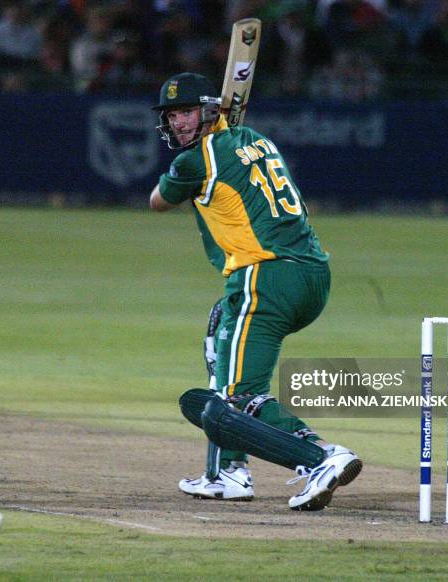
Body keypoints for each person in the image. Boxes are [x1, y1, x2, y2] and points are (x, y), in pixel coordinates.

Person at [149, 72, 362, 511]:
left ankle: (321, 457)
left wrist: (193, 168)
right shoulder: (258, 141)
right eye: (172, 117)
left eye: (187, 112)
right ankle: (230, 472)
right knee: (225, 369)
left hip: (264, 278)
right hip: (311, 275)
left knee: (238, 398)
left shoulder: (195, 160)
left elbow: (158, 200)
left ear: (210, 111)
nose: (179, 124)